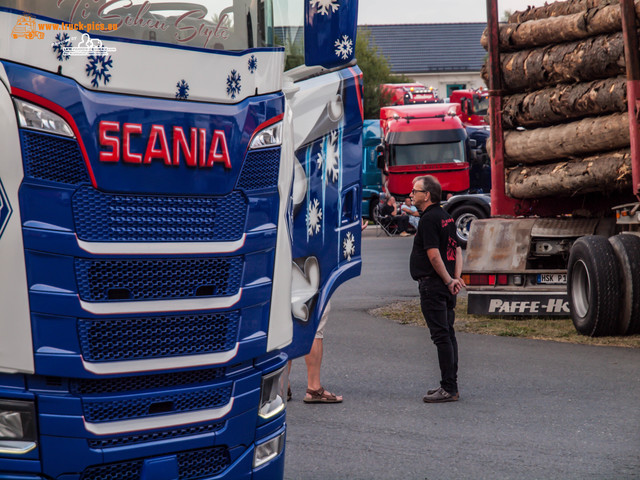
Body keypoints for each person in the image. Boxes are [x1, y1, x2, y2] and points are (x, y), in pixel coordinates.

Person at [409, 175, 466, 403]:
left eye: (415, 191)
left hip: (433, 285)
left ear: (427, 195)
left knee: (441, 336)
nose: (412, 194)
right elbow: (458, 251)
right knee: (448, 335)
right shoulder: (446, 217)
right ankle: (449, 385)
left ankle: (449, 388)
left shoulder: (429, 219)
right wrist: (455, 278)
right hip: (444, 285)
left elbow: (433, 255)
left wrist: (448, 280)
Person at [288, 302, 343, 404]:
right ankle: (314, 388)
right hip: (309, 287)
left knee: (286, 327)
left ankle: (281, 388)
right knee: (314, 327)